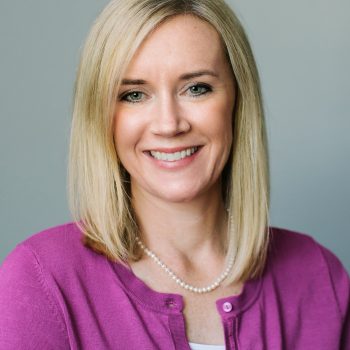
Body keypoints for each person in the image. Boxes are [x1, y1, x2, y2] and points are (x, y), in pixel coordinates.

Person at [0, 0, 349, 349]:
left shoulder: (319, 276)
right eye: (134, 95)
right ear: (102, 116)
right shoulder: (41, 280)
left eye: (196, 88)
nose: (169, 124)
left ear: (238, 101)